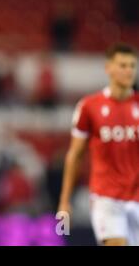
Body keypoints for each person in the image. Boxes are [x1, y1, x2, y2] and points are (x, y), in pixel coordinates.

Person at [58, 43, 139, 246]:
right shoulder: (89, 106)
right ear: (108, 68)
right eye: (122, 65)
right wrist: (65, 200)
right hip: (106, 197)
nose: (128, 71)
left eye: (132, 65)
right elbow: (75, 155)